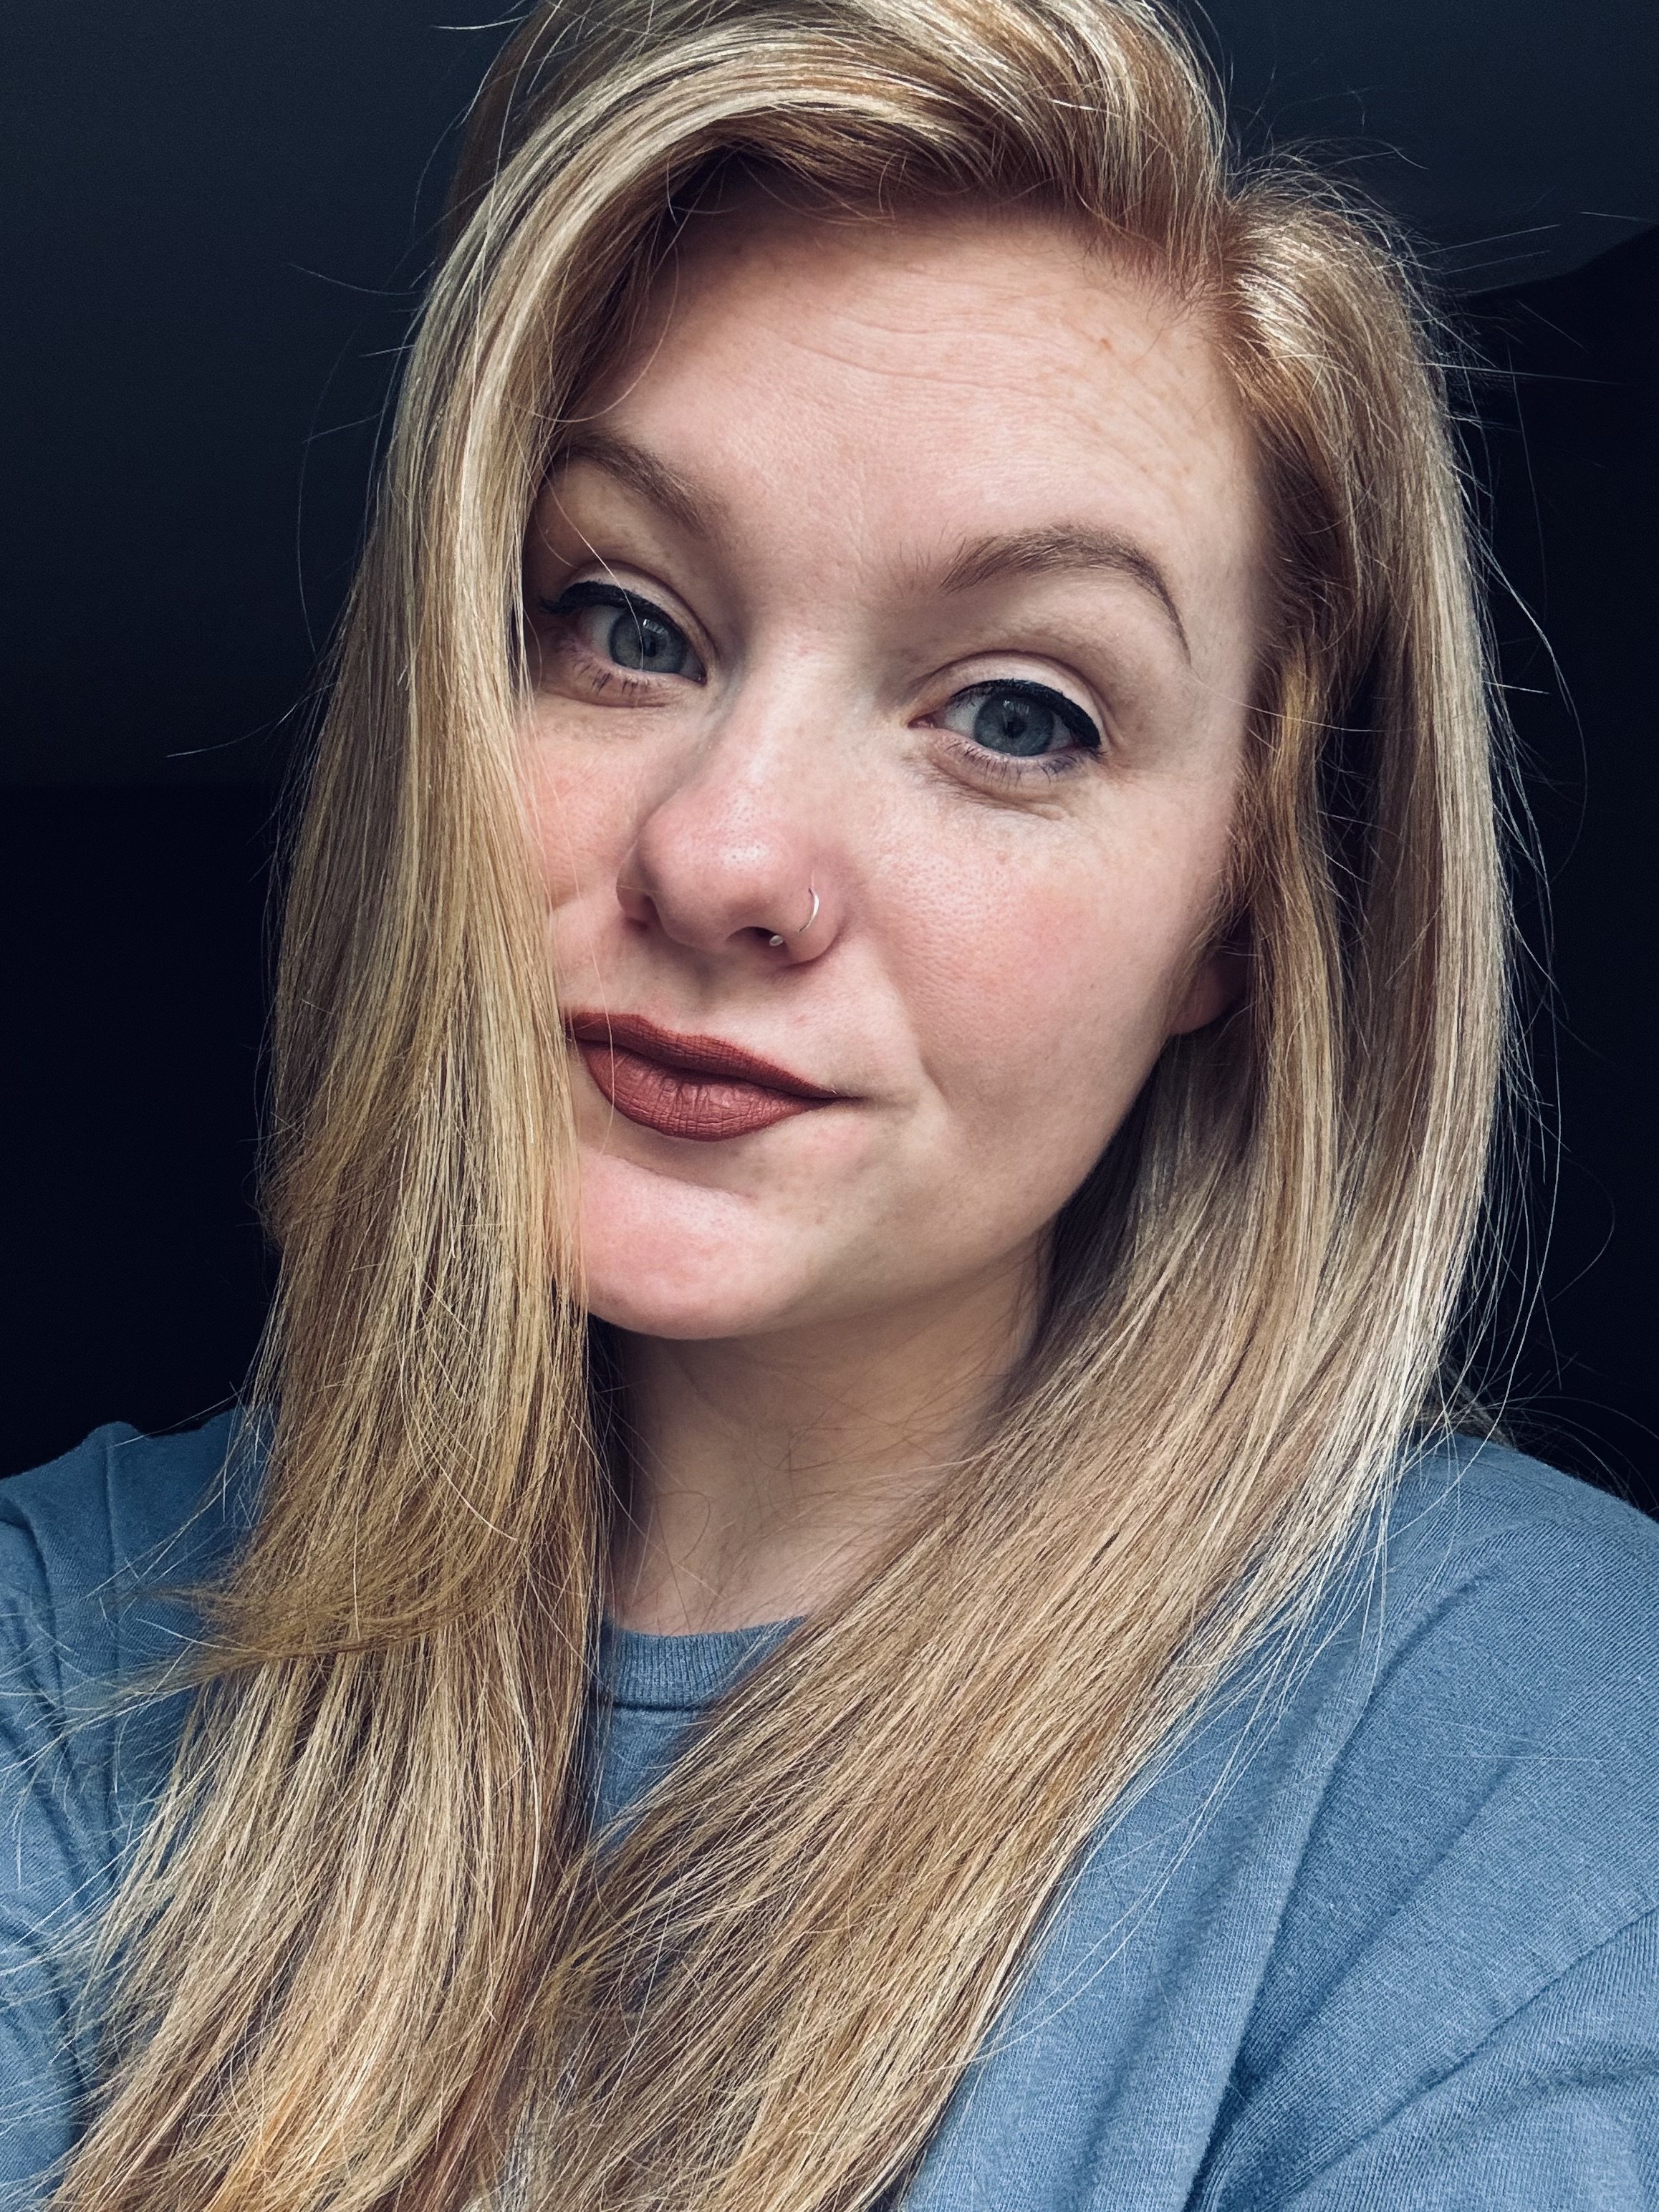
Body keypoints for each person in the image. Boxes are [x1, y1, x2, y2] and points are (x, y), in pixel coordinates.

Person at [4, 0, 1656, 2203]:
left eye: (1018, 712)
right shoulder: (77, 1632)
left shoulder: (1530, 1741)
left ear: (1242, 918)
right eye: (624, 622)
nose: (725, 857)